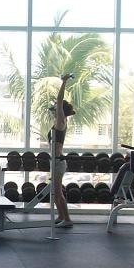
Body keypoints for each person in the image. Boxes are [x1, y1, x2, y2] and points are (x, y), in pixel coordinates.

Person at [51, 73, 76, 228]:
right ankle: (61, 216)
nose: (53, 110)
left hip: (59, 162)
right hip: (54, 161)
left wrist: (64, 82)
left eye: (55, 109)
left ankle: (67, 219)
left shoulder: (61, 122)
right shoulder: (57, 123)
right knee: (55, 192)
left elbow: (59, 101)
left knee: (58, 192)